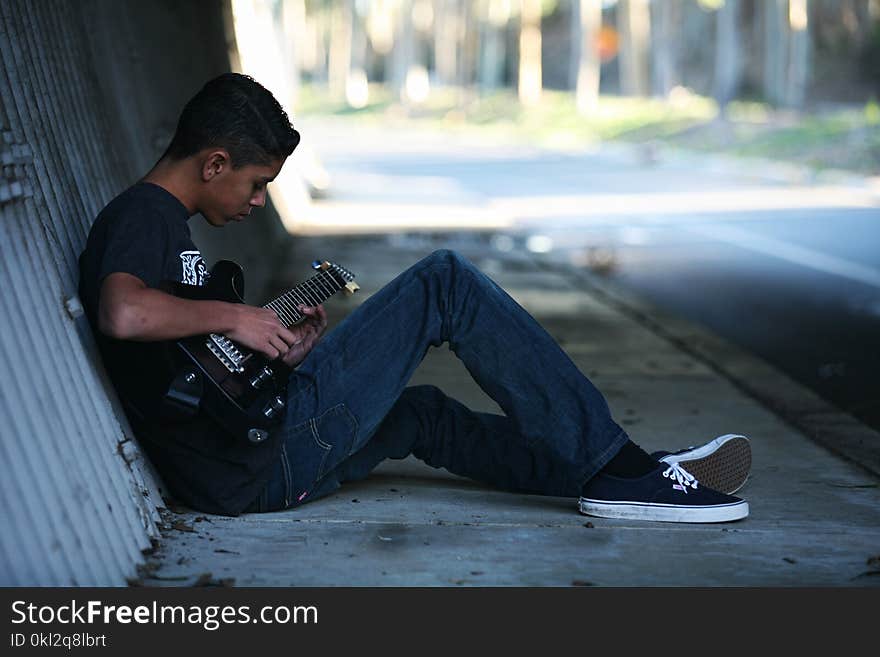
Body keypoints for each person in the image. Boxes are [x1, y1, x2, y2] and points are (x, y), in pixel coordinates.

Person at [78, 73, 751, 524]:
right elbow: (123, 312)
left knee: (424, 415)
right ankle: (623, 469)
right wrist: (241, 316)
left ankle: (618, 472)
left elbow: (190, 370)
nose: (258, 202)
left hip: (256, 460)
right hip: (264, 455)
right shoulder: (142, 215)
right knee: (445, 281)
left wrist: (278, 350)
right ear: (214, 163)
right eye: (256, 184)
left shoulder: (166, 227)